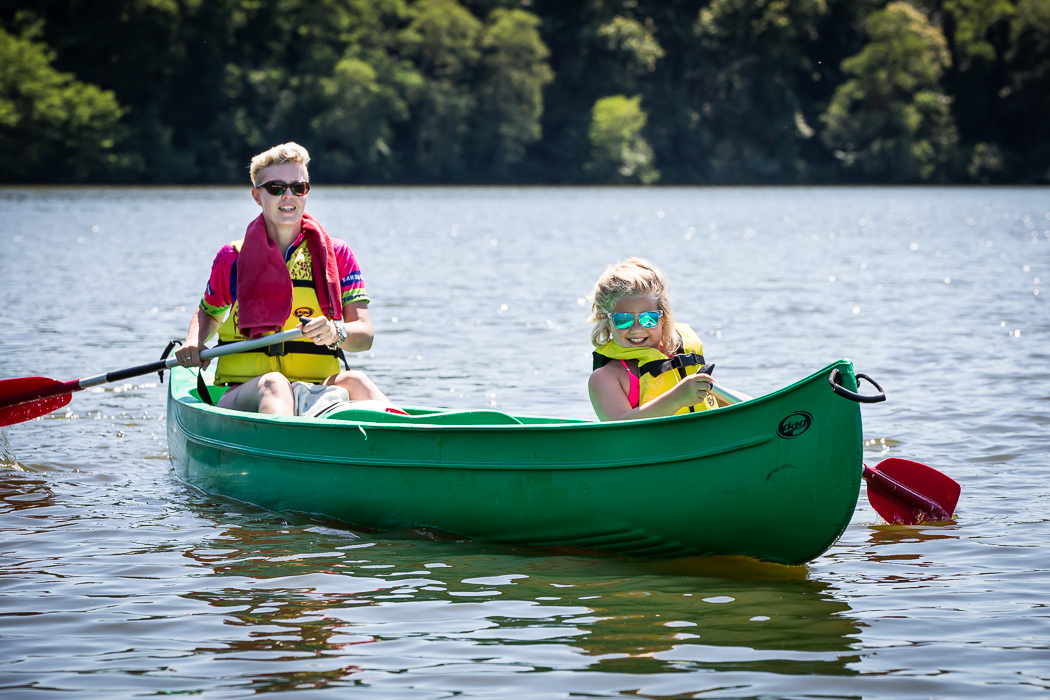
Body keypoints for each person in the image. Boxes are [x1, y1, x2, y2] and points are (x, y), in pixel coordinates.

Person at [174, 142, 398, 416]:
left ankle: (416, 444)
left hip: (315, 386)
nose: (289, 195)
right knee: (275, 384)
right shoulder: (232, 257)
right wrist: (193, 341)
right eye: (276, 188)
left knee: (357, 380)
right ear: (257, 196)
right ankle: (283, 450)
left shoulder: (338, 254)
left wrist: (335, 332)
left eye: (299, 187)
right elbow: (208, 312)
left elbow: (364, 336)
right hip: (246, 391)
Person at [587, 257, 749, 421]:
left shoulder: (678, 356)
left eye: (648, 319)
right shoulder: (605, 378)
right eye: (623, 320)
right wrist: (677, 398)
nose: (637, 329)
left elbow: (722, 399)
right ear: (606, 322)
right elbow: (620, 428)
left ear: (663, 318)